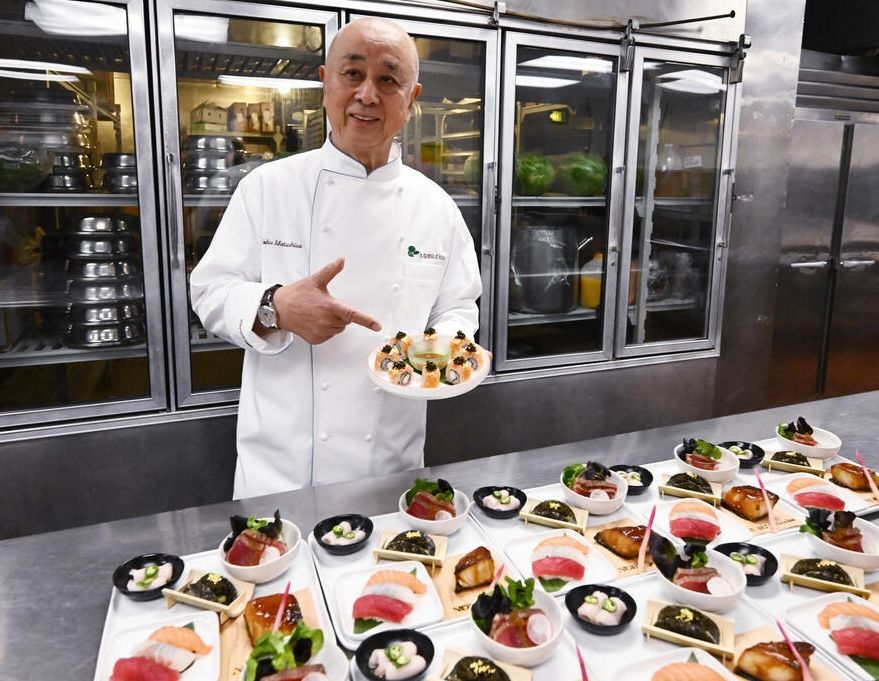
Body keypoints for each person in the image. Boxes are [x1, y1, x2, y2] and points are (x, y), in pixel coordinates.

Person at [190, 17, 482, 499]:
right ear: (326, 82)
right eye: (353, 74)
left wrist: (444, 346)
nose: (368, 94)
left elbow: (457, 306)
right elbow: (210, 290)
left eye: (388, 79)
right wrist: (275, 307)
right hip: (282, 472)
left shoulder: (437, 208)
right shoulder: (267, 189)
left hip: (390, 467)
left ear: (411, 99)